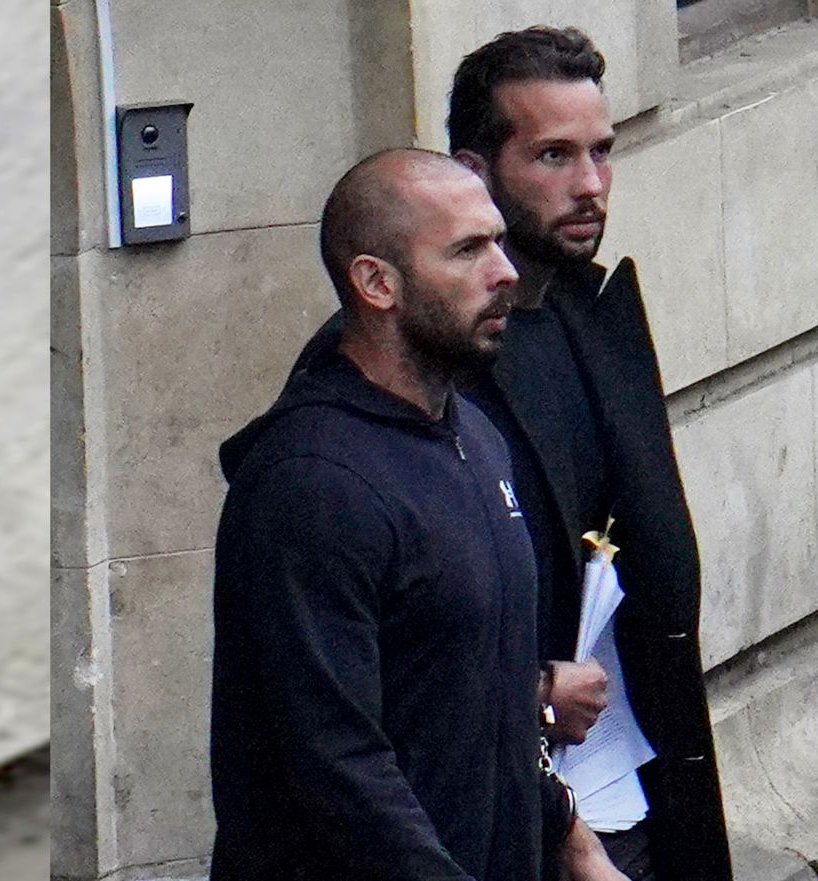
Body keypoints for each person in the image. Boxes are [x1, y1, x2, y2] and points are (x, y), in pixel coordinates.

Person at [289, 26, 733, 881]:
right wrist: (531, 693)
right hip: (486, 825)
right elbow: (349, 708)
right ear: (477, 169)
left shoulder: (591, 312)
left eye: (602, 152)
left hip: (622, 793)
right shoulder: (391, 378)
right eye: (555, 157)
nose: (591, 185)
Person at [210, 149, 626, 881]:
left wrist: (569, 835)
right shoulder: (312, 482)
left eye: (499, 240)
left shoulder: (476, 439)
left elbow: (480, 696)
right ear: (377, 282)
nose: (504, 271)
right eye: (468, 249)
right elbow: (338, 762)